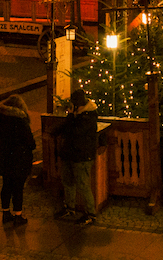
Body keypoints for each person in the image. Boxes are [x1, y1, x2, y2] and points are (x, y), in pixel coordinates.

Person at [53, 88, 98, 225]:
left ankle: (91, 214)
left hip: (82, 156)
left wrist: (72, 116)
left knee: (83, 185)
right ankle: (70, 208)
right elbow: (66, 126)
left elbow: (76, 132)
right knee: (68, 182)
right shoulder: (76, 114)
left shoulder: (88, 116)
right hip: (69, 154)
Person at [0, 94, 35, 226]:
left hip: (4, 154)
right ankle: (18, 215)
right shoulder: (21, 121)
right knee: (18, 187)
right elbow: (31, 142)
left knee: (6, 184)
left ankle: (5, 213)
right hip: (19, 157)